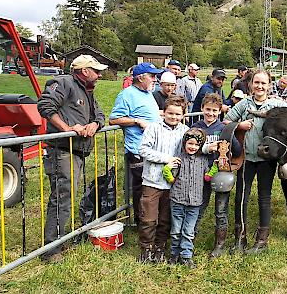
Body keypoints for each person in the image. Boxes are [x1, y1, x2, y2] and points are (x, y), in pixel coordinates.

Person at [224, 70, 287, 254]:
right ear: (250, 84)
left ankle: (261, 241)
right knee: (241, 197)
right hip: (246, 158)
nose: (260, 86)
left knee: (264, 197)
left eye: (264, 83)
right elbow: (226, 120)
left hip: (265, 160)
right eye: (256, 82)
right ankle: (240, 238)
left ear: (269, 85)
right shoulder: (244, 104)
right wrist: (240, 125)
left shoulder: (277, 105)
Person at [37, 55, 107, 262]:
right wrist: (67, 129)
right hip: (62, 150)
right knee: (62, 197)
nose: (100, 74)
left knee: (66, 196)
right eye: (96, 70)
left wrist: (95, 125)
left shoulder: (88, 91)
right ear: (84, 71)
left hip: (77, 151)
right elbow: (45, 106)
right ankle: (51, 249)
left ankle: (59, 239)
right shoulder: (64, 83)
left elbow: (101, 115)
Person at [109, 62, 163, 225]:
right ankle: (142, 222)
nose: (155, 80)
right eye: (152, 76)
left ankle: (152, 218)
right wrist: (137, 121)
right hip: (137, 149)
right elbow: (113, 119)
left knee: (153, 185)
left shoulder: (148, 93)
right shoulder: (127, 94)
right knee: (141, 188)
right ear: (140, 77)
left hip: (152, 147)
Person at [137, 95, 189, 263]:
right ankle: (146, 249)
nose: (173, 117)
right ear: (163, 113)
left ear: (183, 115)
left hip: (173, 183)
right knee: (149, 217)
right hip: (152, 180)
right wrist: (165, 158)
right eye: (170, 113)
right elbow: (143, 150)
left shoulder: (184, 131)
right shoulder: (153, 128)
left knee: (166, 219)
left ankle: (160, 248)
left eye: (177, 114)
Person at [191, 93, 242, 258]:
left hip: (220, 174)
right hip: (199, 173)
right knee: (198, 206)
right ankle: (189, 238)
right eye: (208, 110)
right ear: (202, 108)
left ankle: (219, 244)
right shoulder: (196, 127)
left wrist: (229, 147)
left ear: (220, 111)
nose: (211, 113)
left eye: (214, 110)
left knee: (221, 209)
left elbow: (238, 149)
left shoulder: (224, 129)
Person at [164, 127, 208, 268]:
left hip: (195, 202)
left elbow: (208, 176)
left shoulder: (203, 160)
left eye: (196, 145)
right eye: (190, 143)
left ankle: (186, 255)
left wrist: (216, 168)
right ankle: (174, 254)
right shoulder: (179, 159)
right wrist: (167, 173)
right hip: (177, 199)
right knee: (176, 229)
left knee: (189, 230)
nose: (193, 147)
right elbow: (170, 175)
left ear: (200, 146)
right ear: (184, 143)